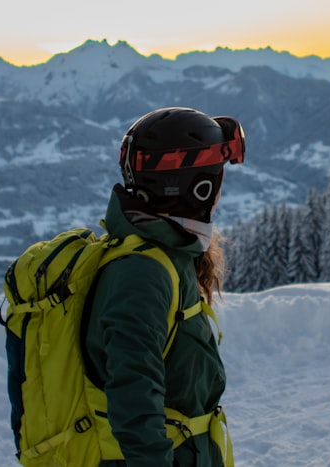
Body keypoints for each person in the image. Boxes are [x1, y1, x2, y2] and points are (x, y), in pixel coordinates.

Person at [83, 106, 245, 467]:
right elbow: (133, 401)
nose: (219, 192)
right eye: (216, 177)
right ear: (198, 187)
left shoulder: (169, 256)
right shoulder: (144, 273)